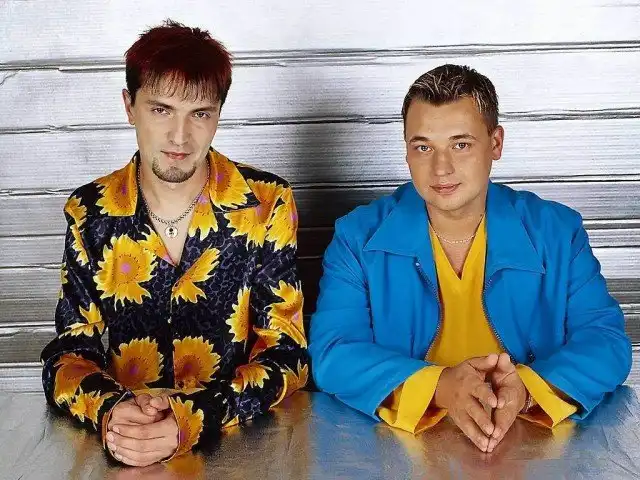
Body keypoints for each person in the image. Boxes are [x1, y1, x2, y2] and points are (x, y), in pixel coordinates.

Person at [309, 64, 631, 453]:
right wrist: (441, 387)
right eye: (423, 147)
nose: (440, 168)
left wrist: (527, 389)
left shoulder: (558, 232)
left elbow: (606, 342)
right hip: (398, 449)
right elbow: (333, 353)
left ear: (495, 143)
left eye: (460, 144)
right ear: (406, 150)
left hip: (531, 445)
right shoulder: (358, 238)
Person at [40, 20, 308, 467]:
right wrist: (111, 410)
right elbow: (68, 353)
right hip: (126, 448)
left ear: (218, 114)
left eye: (200, 113)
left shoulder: (266, 203)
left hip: (237, 446)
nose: (180, 137)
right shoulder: (90, 212)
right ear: (129, 107)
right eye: (161, 110)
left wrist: (195, 417)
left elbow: (287, 354)